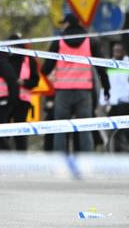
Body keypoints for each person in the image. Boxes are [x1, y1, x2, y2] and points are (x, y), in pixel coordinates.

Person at [41, 14, 98, 154]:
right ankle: (87, 159)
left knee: (60, 127)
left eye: (63, 23)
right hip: (84, 91)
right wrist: (106, 86)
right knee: (85, 127)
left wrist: (47, 77)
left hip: (63, 92)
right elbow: (101, 67)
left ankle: (60, 159)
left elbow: (46, 68)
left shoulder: (58, 42)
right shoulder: (90, 41)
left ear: (68, 24)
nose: (61, 26)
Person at [7, 34, 40, 152]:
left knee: (20, 132)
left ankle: (21, 157)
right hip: (6, 99)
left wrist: (24, 82)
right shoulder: (4, 58)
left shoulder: (29, 59)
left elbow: (35, 81)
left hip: (22, 100)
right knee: (4, 132)